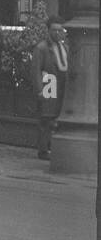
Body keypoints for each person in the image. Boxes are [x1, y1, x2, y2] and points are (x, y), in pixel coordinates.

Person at [30, 18, 70, 161]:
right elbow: (35, 71)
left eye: (60, 30)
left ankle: (54, 148)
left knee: (57, 119)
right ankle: (43, 150)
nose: (58, 33)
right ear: (48, 31)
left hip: (61, 87)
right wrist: (40, 90)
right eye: (54, 30)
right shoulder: (41, 48)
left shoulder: (64, 47)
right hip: (48, 86)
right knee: (45, 119)